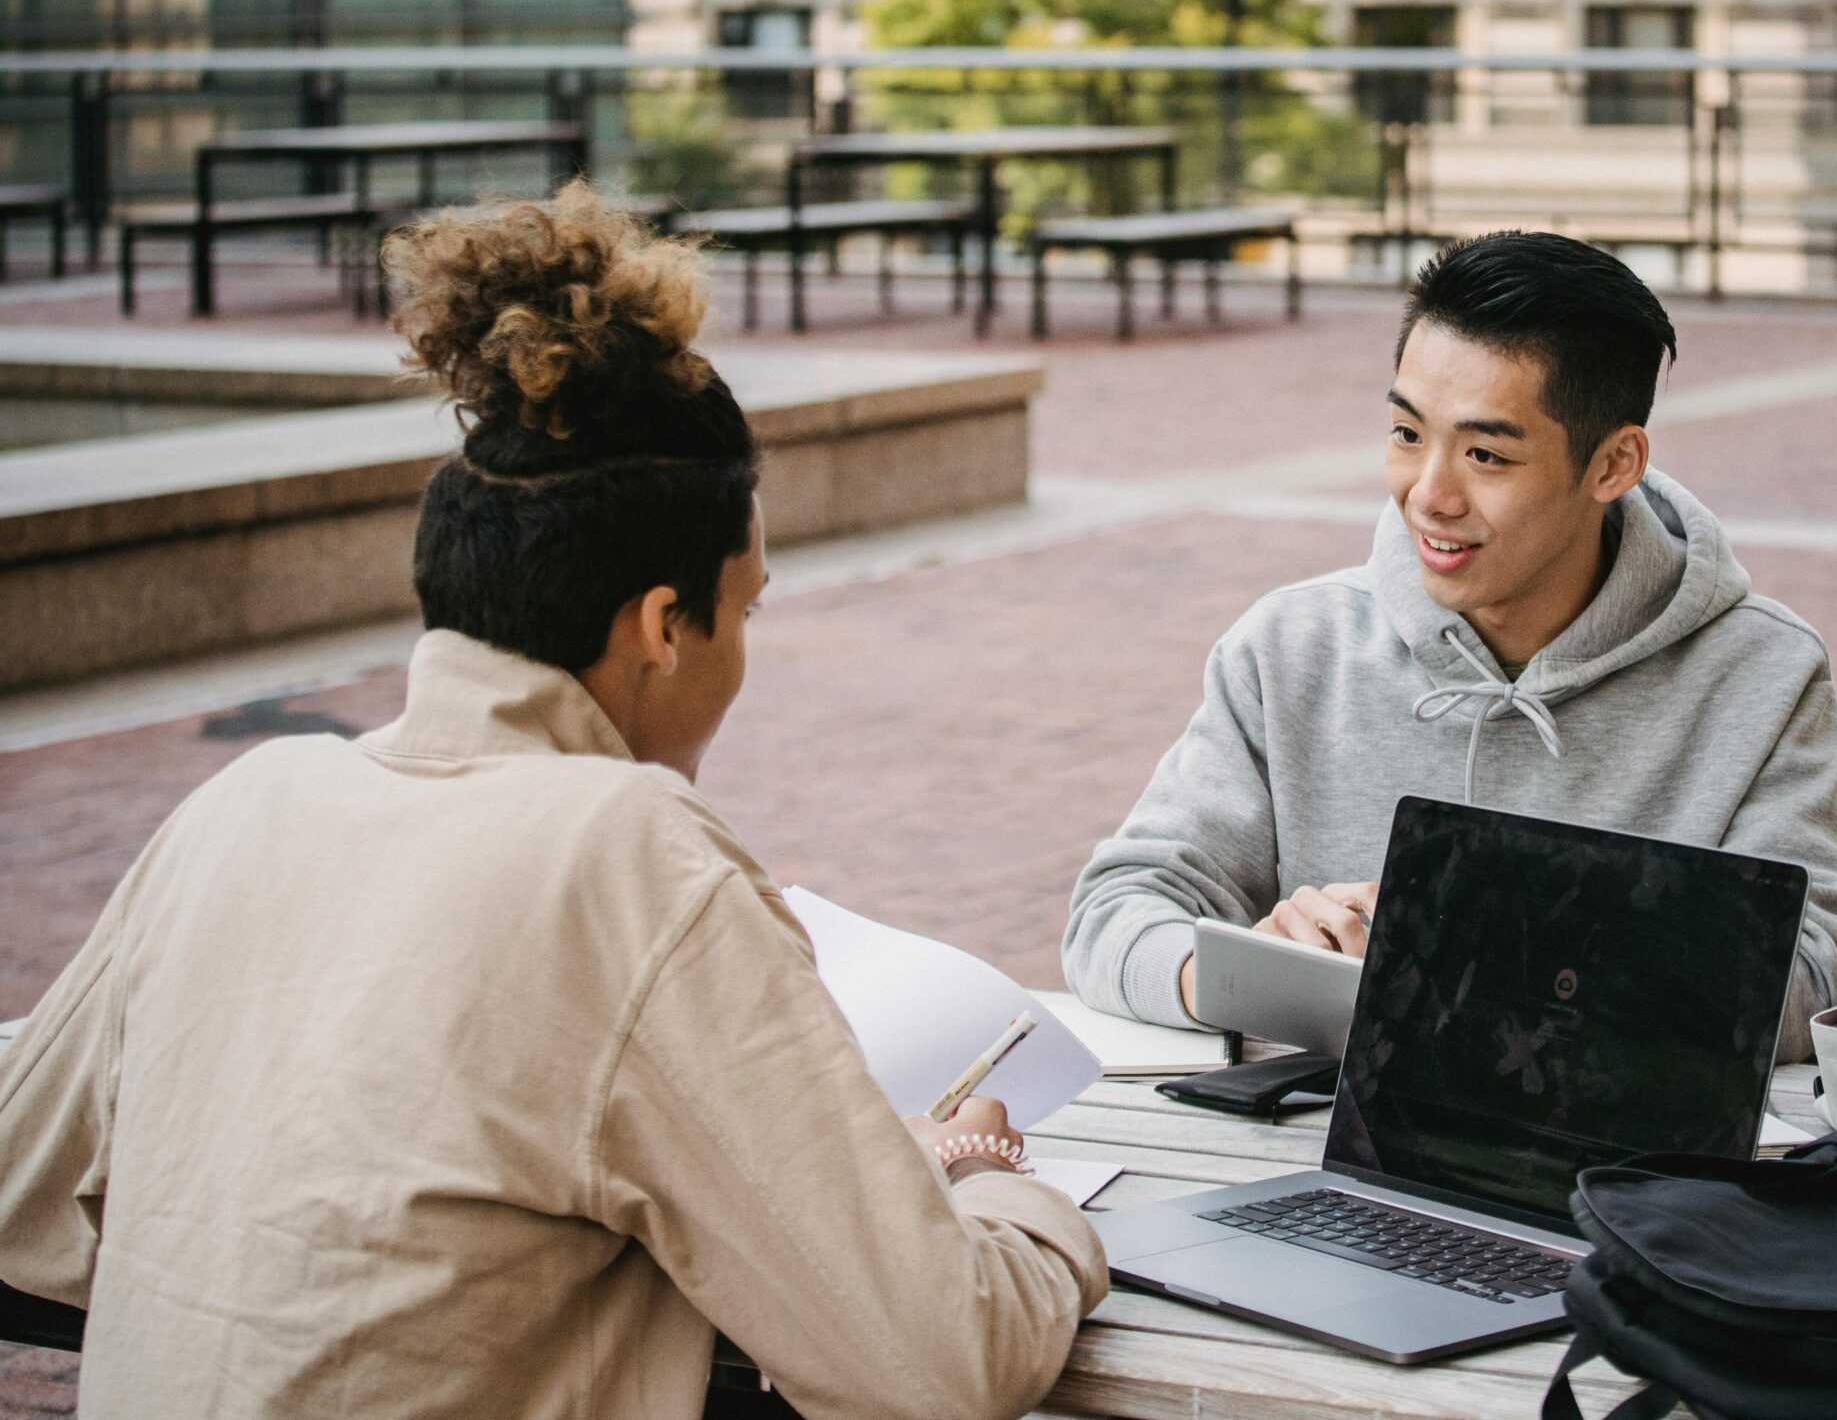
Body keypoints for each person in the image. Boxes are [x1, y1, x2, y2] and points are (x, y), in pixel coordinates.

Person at [0, 188, 1104, 1419]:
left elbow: (20, 1194)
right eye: (744, 610)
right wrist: (994, 1180)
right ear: (659, 627)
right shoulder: (627, 855)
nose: (739, 649)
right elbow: (939, 1362)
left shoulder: (244, 801)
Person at [1062, 231, 1837, 1062]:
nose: (1430, 493)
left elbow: (1816, 977)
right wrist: (1252, 972)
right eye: (1408, 435)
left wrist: (1504, 961)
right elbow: (1116, 910)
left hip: (1614, 1173)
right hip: (1317, 1158)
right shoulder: (1292, 650)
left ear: (1614, 463)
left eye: (1486, 453)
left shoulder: (1763, 676)